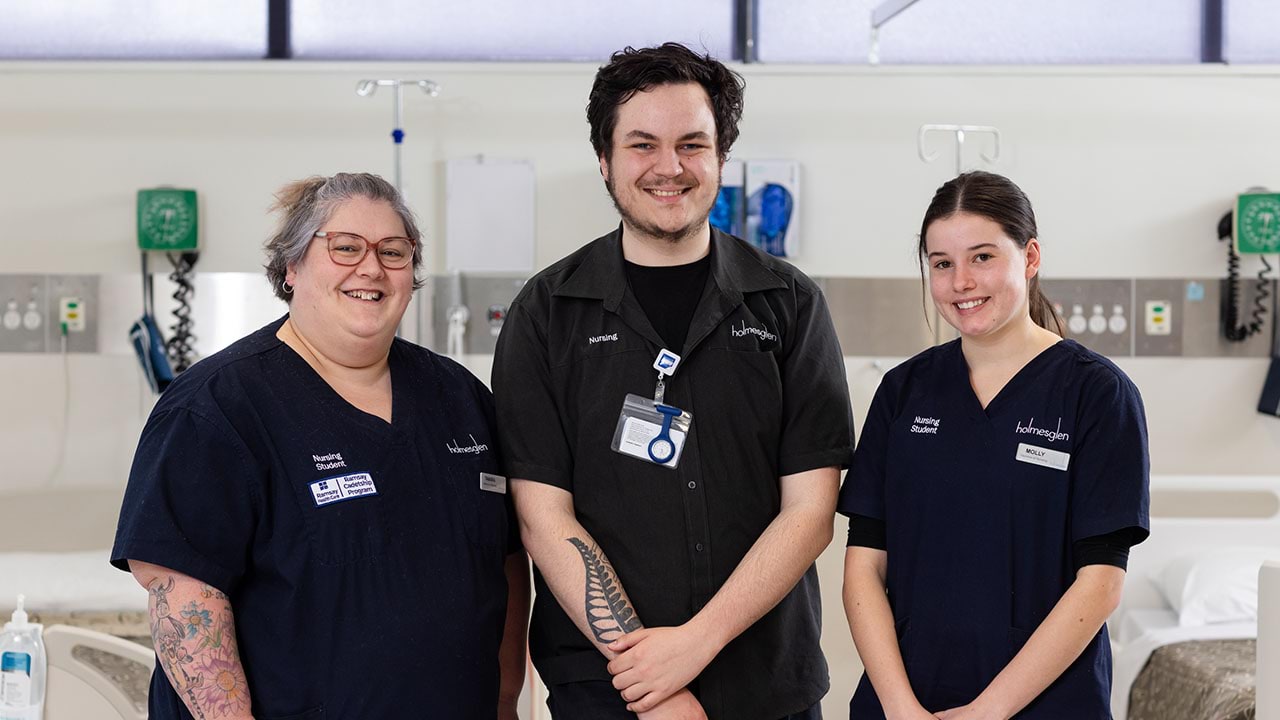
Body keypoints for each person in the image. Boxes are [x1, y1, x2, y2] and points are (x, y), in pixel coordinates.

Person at [492, 43, 855, 720]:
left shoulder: (787, 304)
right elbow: (544, 518)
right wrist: (649, 678)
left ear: (722, 157)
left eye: (693, 144)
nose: (670, 167)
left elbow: (809, 512)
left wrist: (696, 643)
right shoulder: (546, 314)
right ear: (604, 160)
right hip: (608, 690)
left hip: (765, 687)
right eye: (642, 145)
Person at [111, 172, 529, 720]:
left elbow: (504, 565)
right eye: (345, 247)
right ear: (291, 267)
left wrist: (503, 703)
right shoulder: (216, 408)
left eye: (394, 251)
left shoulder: (460, 399)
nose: (371, 268)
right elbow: (184, 593)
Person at [839, 171, 1150, 719]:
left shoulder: (1096, 394)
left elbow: (1100, 583)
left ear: (1029, 258)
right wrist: (900, 708)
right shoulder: (903, 392)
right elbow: (863, 565)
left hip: (1044, 704)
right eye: (941, 263)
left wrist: (988, 712)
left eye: (982, 257)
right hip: (905, 698)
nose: (961, 282)